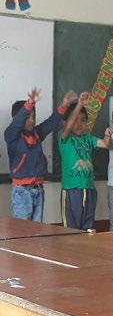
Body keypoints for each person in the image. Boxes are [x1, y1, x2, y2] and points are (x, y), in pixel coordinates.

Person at [4, 88, 76, 221]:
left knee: (37, 229)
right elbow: (17, 123)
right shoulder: (11, 135)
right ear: (17, 118)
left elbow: (52, 122)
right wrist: (30, 103)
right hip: (21, 192)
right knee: (22, 230)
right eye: (27, 117)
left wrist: (64, 104)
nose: (32, 120)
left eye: (34, 116)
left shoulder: (37, 133)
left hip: (38, 189)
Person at [58, 92, 112, 230]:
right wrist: (80, 104)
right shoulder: (64, 138)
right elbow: (68, 127)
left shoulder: (88, 138)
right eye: (75, 119)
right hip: (71, 191)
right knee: (71, 230)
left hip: (89, 190)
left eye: (83, 120)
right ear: (66, 122)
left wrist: (108, 135)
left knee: (88, 229)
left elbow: (106, 144)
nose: (79, 124)